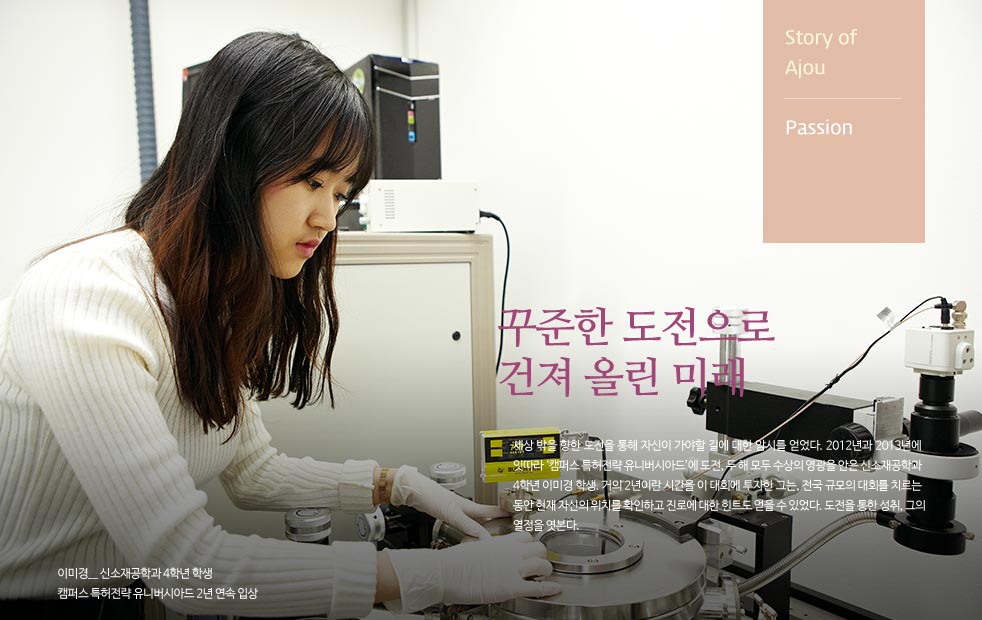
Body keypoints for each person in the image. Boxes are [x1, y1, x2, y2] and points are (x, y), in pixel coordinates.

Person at [0, 32, 560, 619]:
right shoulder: (88, 295)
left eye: (341, 194)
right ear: (232, 159)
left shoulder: (210, 303)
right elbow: (188, 567)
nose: (327, 219)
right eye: (313, 182)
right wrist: (433, 575)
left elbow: (251, 471)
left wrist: (397, 484)